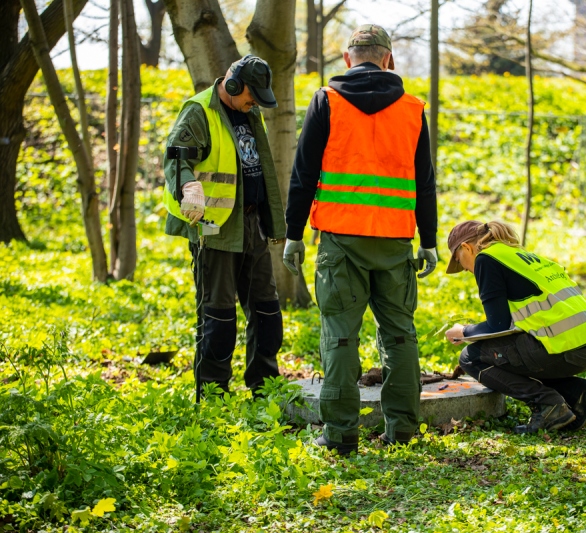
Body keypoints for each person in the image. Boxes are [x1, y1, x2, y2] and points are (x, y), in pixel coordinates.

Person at [283, 24, 438, 455]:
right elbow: (425, 183)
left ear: (348, 60)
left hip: (339, 239)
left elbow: (303, 175)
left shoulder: (327, 101)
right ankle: (404, 432)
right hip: (394, 242)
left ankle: (339, 437)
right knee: (400, 335)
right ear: (388, 59)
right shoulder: (411, 109)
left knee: (340, 336)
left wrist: (293, 234)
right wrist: (429, 240)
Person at [163, 55, 287, 401]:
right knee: (217, 319)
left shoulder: (249, 111)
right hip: (215, 229)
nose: (254, 103)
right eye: (251, 95)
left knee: (267, 313)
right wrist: (189, 186)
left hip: (254, 225)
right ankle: (214, 396)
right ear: (232, 84)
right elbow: (176, 159)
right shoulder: (199, 112)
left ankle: (265, 390)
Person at [444, 220, 586, 433]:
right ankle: (578, 393)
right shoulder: (519, 255)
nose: (465, 269)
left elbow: (497, 325)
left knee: (470, 357)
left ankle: (547, 404)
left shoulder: (486, 259)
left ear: (467, 247)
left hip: (563, 348)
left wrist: (464, 332)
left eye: (459, 260)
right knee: (508, 353)